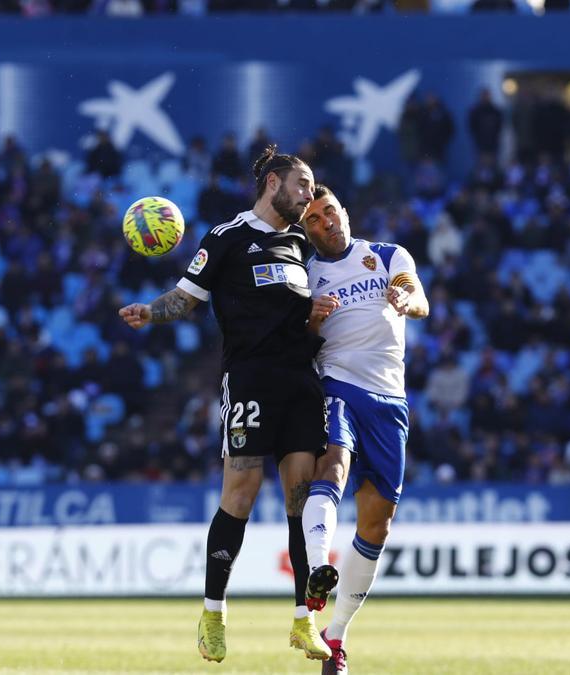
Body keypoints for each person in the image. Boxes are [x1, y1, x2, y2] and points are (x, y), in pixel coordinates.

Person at [118, 146, 332, 664]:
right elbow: (187, 297)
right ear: (273, 183)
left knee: (300, 499)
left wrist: (318, 317)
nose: (309, 195)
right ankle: (213, 613)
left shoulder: (302, 242)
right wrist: (151, 311)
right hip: (252, 379)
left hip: (302, 381)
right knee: (240, 491)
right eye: (303, 185)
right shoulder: (227, 237)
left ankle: (304, 622)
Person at [299, 184, 430, 674]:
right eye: (312, 219)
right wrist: (308, 323)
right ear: (306, 229)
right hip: (338, 384)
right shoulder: (306, 275)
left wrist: (404, 297)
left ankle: (336, 638)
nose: (324, 223)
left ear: (344, 212)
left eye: (328, 212)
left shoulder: (387, 254)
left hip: (390, 401)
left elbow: (419, 299)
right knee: (332, 465)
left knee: (377, 523)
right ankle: (316, 569)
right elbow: (294, 343)